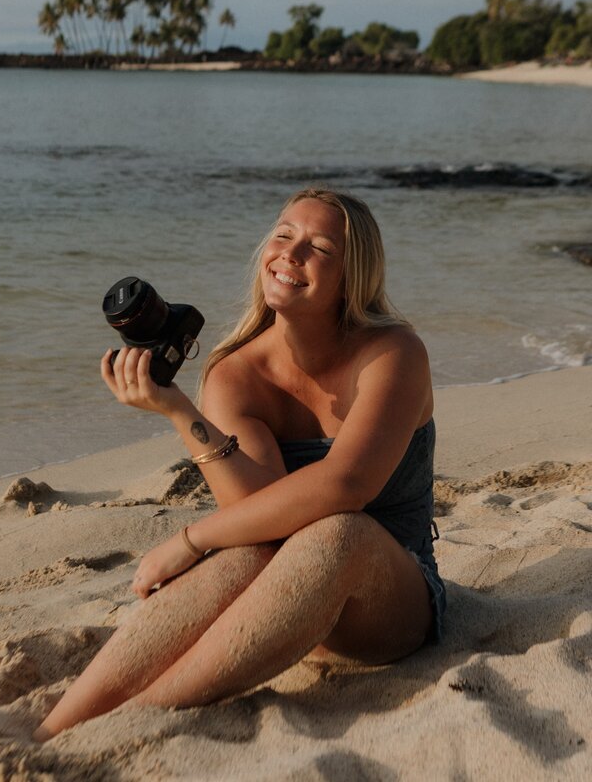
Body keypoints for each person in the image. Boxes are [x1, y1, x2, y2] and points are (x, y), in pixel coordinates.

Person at [34, 186, 445, 741]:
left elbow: (345, 484)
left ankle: (140, 717)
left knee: (338, 532)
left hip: (388, 599)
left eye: (319, 248)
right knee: (245, 550)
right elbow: (256, 512)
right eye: (283, 235)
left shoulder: (393, 354)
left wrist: (188, 541)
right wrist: (179, 410)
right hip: (280, 607)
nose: (291, 254)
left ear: (353, 275)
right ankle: (56, 728)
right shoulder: (236, 374)